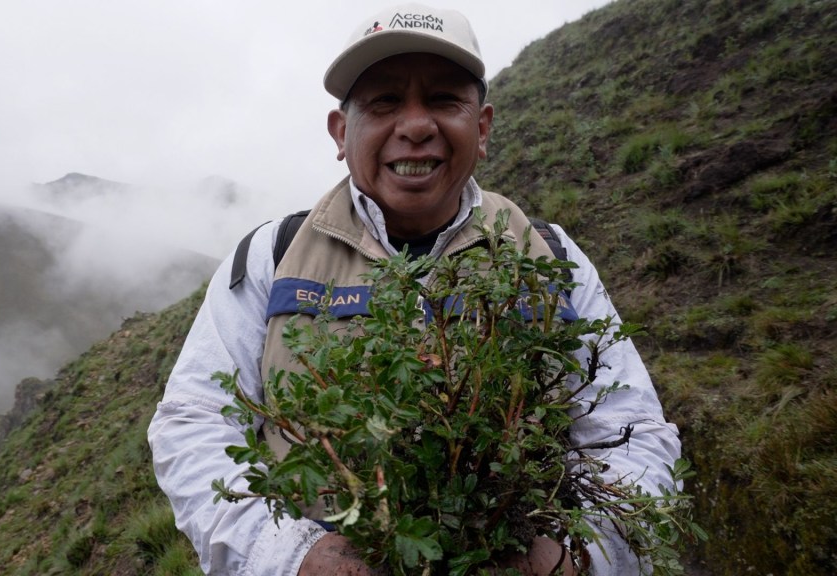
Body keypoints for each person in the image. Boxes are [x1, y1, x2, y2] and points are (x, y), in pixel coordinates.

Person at [149, 4, 681, 575]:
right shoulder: (271, 256)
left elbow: (633, 429)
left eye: (444, 100)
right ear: (340, 132)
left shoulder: (549, 256)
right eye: (383, 102)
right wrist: (289, 556)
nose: (416, 125)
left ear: (482, 127)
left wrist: (582, 556)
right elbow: (193, 420)